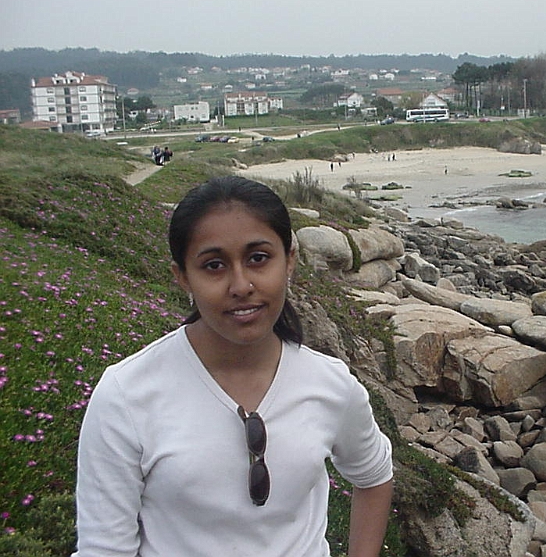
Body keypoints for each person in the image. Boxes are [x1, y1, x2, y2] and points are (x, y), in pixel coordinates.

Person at [72, 176, 394, 556]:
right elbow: (103, 548)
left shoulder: (330, 383)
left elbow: (374, 475)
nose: (241, 285)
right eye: (213, 265)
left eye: (258, 258)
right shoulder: (127, 393)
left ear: (289, 261)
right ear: (182, 277)